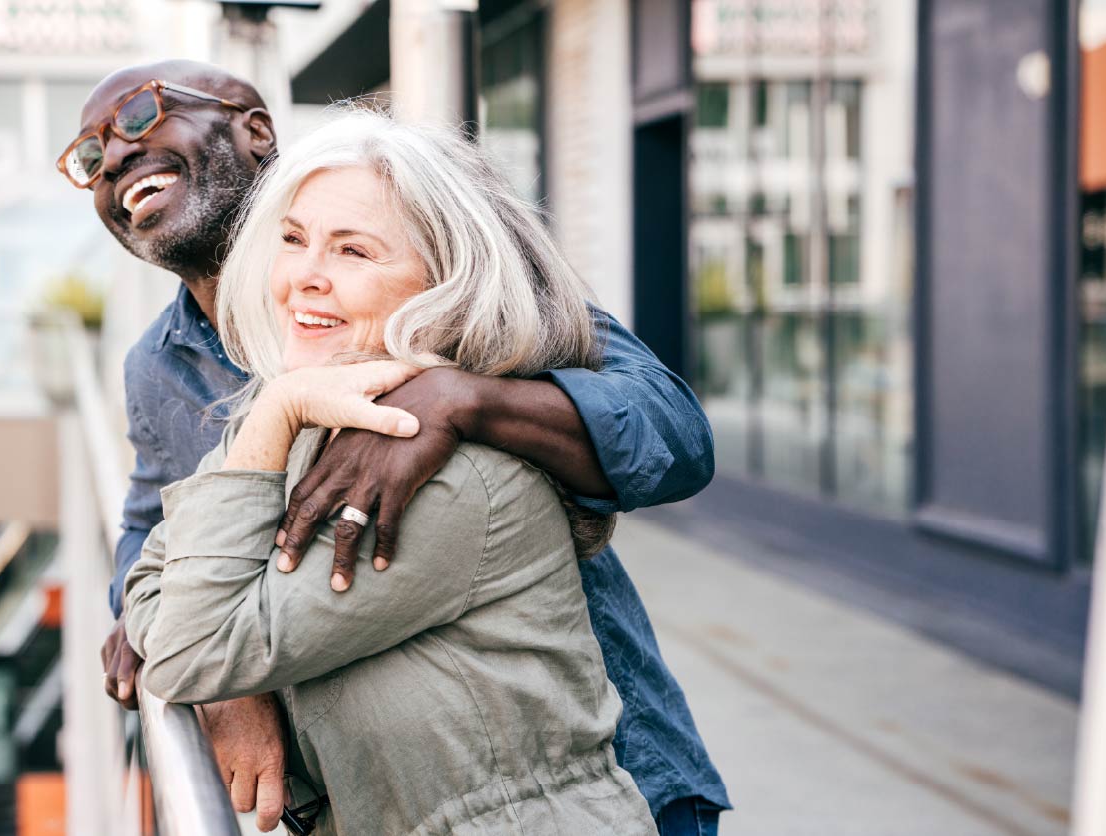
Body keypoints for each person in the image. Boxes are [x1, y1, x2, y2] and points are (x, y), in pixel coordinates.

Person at [61, 60, 728, 833]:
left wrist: (466, 399)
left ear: (256, 133)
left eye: (141, 116)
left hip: (599, 764)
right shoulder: (159, 365)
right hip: (374, 790)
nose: (113, 156)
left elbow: (673, 436)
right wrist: (219, 678)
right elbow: (154, 536)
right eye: (90, 154)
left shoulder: (457, 283)